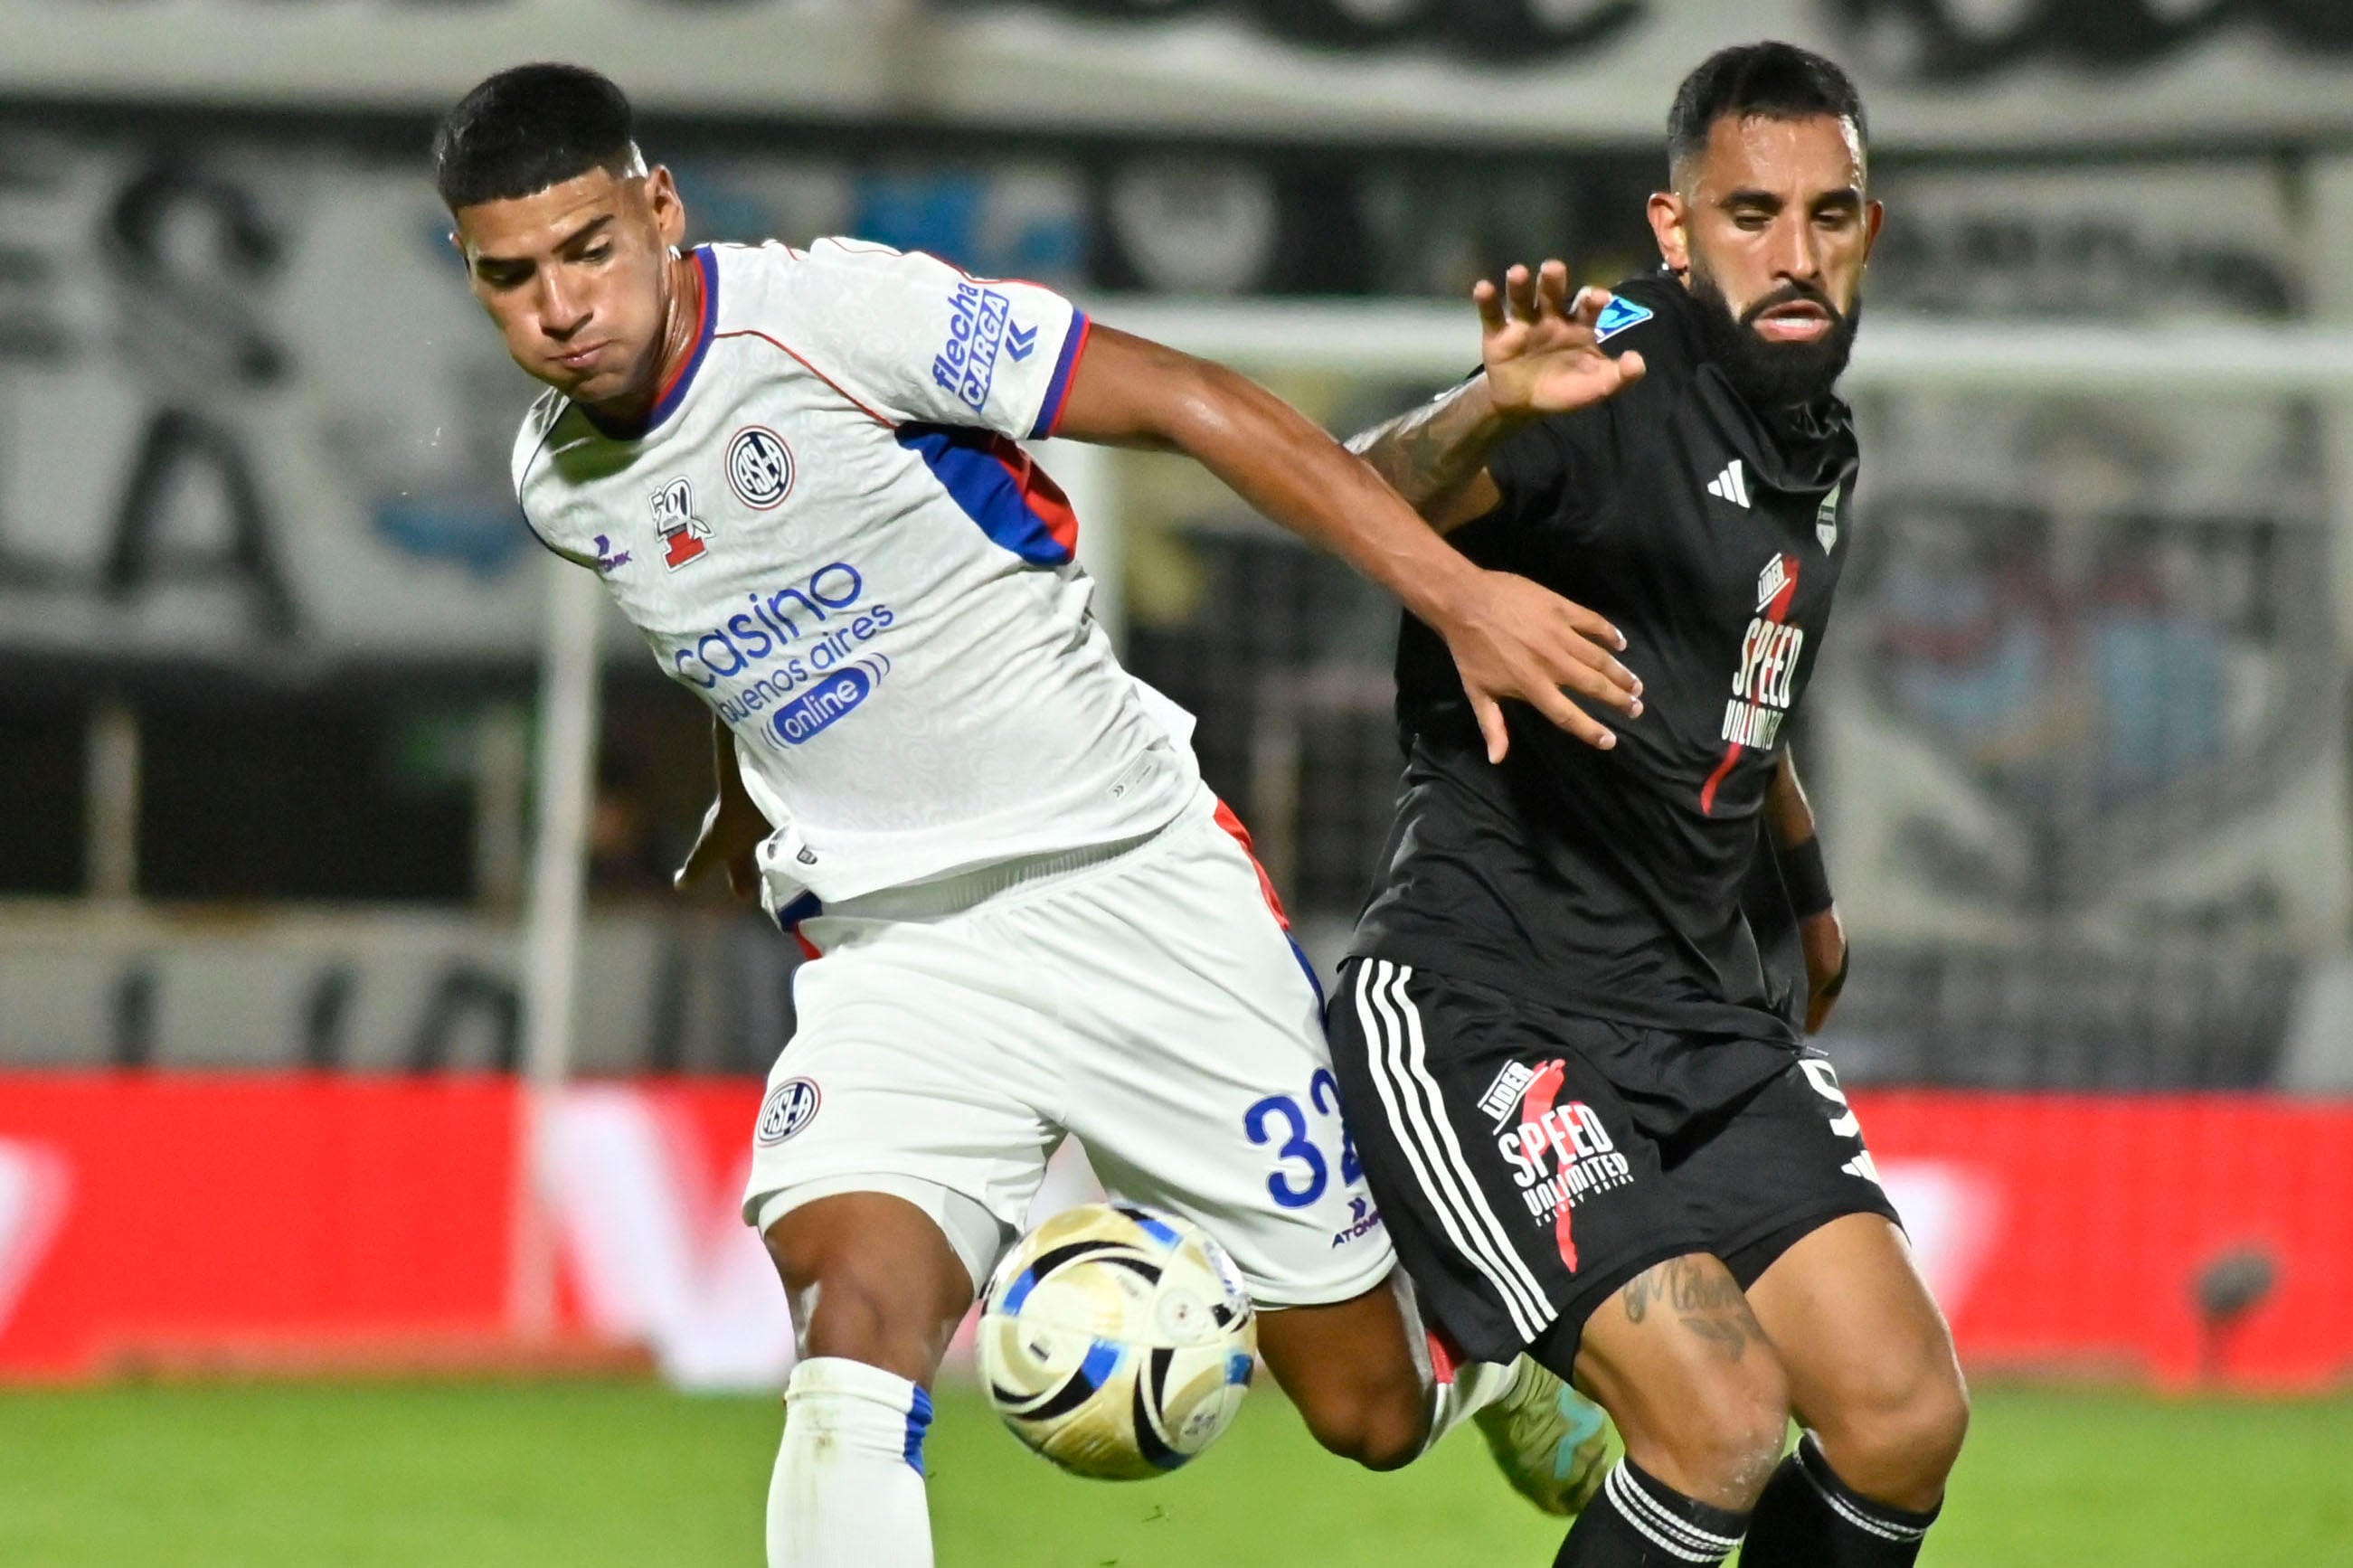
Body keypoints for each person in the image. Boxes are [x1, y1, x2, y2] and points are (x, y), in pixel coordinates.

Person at [433, 61, 1638, 1568]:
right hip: (896, 955)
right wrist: (751, 787)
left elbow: (1194, 401)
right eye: (510, 277)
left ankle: (1502, 1373)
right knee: (849, 1342)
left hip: (1128, 883)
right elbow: (758, 612)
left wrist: (1458, 594)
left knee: (1368, 1409)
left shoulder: (834, 319)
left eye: (587, 249)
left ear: (659, 209)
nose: (557, 307)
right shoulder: (562, 482)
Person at [1329, 41, 1970, 1568]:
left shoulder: (1812, 433)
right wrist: (1482, 417)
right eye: (1750, 215)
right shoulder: (1599, 374)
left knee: (1899, 1414)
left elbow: (1742, 692)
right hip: (1491, 1000)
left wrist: (1803, 894)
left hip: (1695, 1015)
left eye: (1829, 214)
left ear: (1869, 230)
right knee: (1720, 1422)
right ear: (1674, 232)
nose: (1795, 252)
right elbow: (1364, 490)